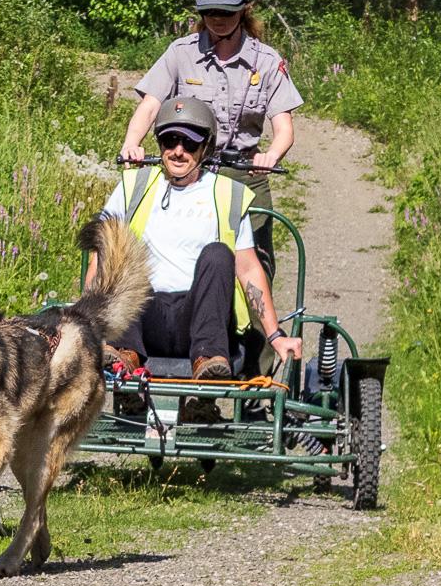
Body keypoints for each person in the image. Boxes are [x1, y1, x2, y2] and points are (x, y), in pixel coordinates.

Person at [91, 98, 302, 419]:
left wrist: (274, 336)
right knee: (118, 244)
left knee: (217, 254)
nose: (178, 151)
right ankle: (124, 358)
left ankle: (210, 364)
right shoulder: (133, 187)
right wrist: (84, 322)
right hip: (142, 316)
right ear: (159, 143)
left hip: (201, 319)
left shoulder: (226, 194)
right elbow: (100, 260)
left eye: (189, 142)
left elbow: (248, 269)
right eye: (169, 140)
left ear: (205, 147)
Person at [118, 0, 302, 278]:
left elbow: (284, 127)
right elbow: (150, 106)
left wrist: (271, 155)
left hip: (245, 174)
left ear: (245, 10)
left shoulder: (267, 61)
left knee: (254, 264)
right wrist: (131, 144)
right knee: (177, 260)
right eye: (210, 13)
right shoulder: (180, 53)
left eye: (226, 13)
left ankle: (260, 326)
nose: (217, 20)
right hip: (191, 169)